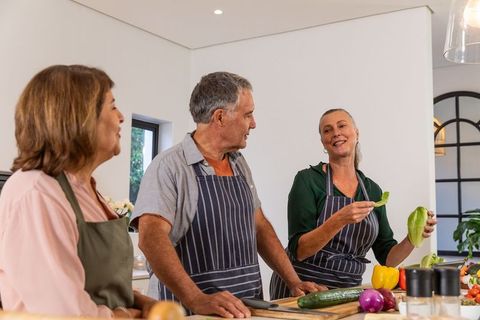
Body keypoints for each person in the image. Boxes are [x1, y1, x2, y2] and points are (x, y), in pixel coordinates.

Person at [131, 71, 325, 318]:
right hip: (192, 311)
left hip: (246, 306)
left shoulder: (238, 163)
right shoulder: (169, 166)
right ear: (220, 117)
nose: (253, 123)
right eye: (248, 114)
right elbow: (151, 238)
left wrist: (293, 281)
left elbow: (260, 226)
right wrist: (197, 299)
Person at [0, 65, 156, 317]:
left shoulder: (87, 190)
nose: (121, 117)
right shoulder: (36, 191)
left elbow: (94, 283)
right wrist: (126, 315)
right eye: (112, 106)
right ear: (79, 116)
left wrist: (139, 301)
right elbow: (62, 311)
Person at [269, 108, 437, 299]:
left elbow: (388, 258)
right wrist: (339, 219)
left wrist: (413, 236)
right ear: (323, 141)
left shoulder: (372, 190)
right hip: (303, 289)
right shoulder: (308, 181)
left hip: (347, 293)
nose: (336, 133)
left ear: (357, 133)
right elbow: (299, 250)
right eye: (327, 130)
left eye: (342, 125)